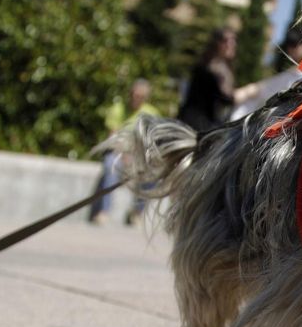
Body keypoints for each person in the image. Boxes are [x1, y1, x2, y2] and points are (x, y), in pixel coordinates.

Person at [89, 78, 163, 226]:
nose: (137, 99)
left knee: (154, 173)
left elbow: (152, 142)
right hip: (118, 152)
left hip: (139, 156)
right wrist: (123, 154)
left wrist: (137, 156)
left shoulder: (152, 113)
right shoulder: (118, 109)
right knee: (110, 165)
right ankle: (103, 212)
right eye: (135, 95)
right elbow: (113, 138)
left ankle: (137, 212)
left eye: (141, 97)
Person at [178, 28, 237, 135]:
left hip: (208, 127)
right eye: (226, 40)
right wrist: (250, 91)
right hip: (196, 128)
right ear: (216, 43)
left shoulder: (222, 68)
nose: (231, 44)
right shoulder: (211, 68)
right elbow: (226, 98)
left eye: (234, 40)